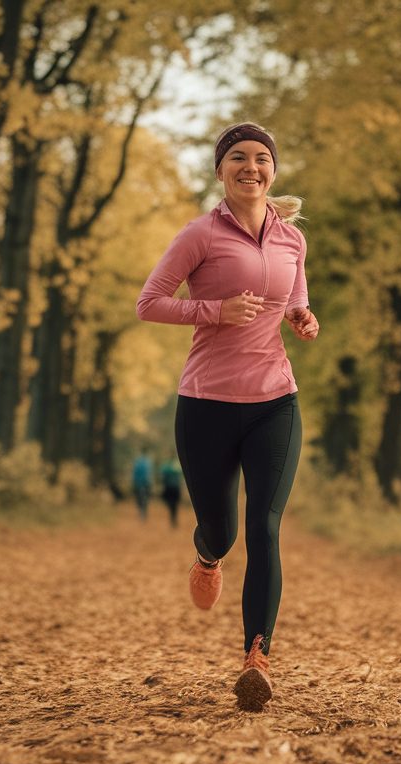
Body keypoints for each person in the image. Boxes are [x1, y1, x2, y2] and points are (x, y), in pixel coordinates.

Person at [136, 121, 320, 712]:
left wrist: (302, 319)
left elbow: (295, 299)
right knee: (225, 530)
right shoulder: (199, 235)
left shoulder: (291, 239)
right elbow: (149, 303)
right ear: (220, 171)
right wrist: (215, 309)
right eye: (237, 157)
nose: (251, 167)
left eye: (261, 158)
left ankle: (256, 660)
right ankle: (208, 554)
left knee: (265, 527)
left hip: (275, 401)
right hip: (207, 405)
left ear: (273, 170)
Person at [159, 455, 183, 528]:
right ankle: (174, 519)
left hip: (168, 488)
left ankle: (172, 519)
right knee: (175, 506)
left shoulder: (166, 467)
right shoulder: (177, 466)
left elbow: (163, 478)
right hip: (176, 488)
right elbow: (180, 478)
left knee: (170, 505)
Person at [132, 448, 154, 521]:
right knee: (145, 499)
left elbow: (134, 474)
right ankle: (144, 513)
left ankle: (141, 512)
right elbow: (150, 474)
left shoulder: (137, 462)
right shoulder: (148, 462)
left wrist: (134, 483)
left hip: (139, 483)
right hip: (146, 483)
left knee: (139, 499)